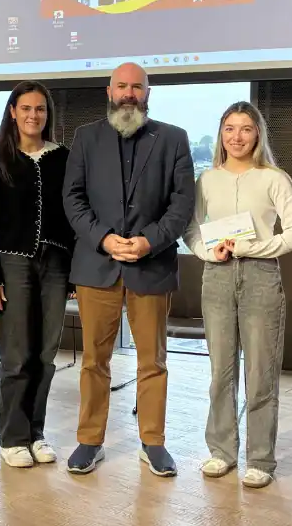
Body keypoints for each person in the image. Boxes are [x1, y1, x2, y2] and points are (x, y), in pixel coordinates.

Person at [62, 61, 195, 476]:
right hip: (97, 264)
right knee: (93, 360)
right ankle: (90, 440)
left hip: (151, 265)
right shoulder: (86, 137)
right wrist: (103, 238)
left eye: (137, 86)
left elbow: (182, 204)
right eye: (122, 86)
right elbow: (73, 199)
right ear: (109, 91)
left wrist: (149, 241)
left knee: (152, 361)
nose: (129, 93)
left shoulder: (174, 138)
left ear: (147, 92)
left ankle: (153, 442)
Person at [183, 101, 292, 489]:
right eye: (230, 129)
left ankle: (260, 459)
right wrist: (209, 252)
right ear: (221, 135)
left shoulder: (274, 178)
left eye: (246, 129)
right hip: (216, 277)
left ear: (258, 135)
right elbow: (191, 230)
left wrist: (254, 248)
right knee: (220, 372)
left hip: (260, 277)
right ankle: (221, 452)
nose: (237, 137)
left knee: (260, 372)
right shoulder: (206, 180)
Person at [0, 81, 74, 468]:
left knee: (46, 353)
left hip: (56, 264)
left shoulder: (63, 158)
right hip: (11, 263)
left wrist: (73, 274)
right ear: (13, 112)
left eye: (41, 109)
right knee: (16, 354)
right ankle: (13, 437)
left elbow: (73, 217)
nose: (34, 115)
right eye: (27, 108)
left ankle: (36, 432)